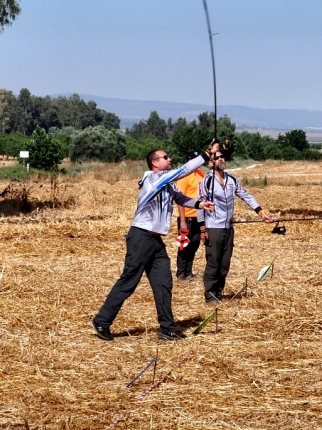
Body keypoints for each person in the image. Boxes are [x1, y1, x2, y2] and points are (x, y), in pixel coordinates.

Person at [92, 143, 217, 342]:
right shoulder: (152, 179)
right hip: (141, 237)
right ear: (154, 163)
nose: (169, 159)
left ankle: (167, 328)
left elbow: (180, 197)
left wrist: (200, 204)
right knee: (129, 281)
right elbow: (185, 170)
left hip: (156, 241)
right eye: (165, 157)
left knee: (163, 283)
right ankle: (102, 321)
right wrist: (206, 154)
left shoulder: (167, 183)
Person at [198, 148, 274, 304]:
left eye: (222, 157)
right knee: (214, 262)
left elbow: (245, 195)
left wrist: (260, 212)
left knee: (225, 263)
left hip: (228, 227)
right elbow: (199, 204)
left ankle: (219, 292)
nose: (221, 159)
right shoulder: (206, 181)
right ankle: (210, 295)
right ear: (210, 162)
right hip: (213, 227)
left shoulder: (231, 179)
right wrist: (202, 228)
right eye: (217, 157)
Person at [174, 151, 205, 280]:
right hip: (186, 216)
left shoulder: (200, 174)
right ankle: (181, 273)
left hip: (199, 216)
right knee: (184, 244)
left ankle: (189, 271)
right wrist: (182, 220)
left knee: (195, 244)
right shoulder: (183, 176)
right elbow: (179, 199)